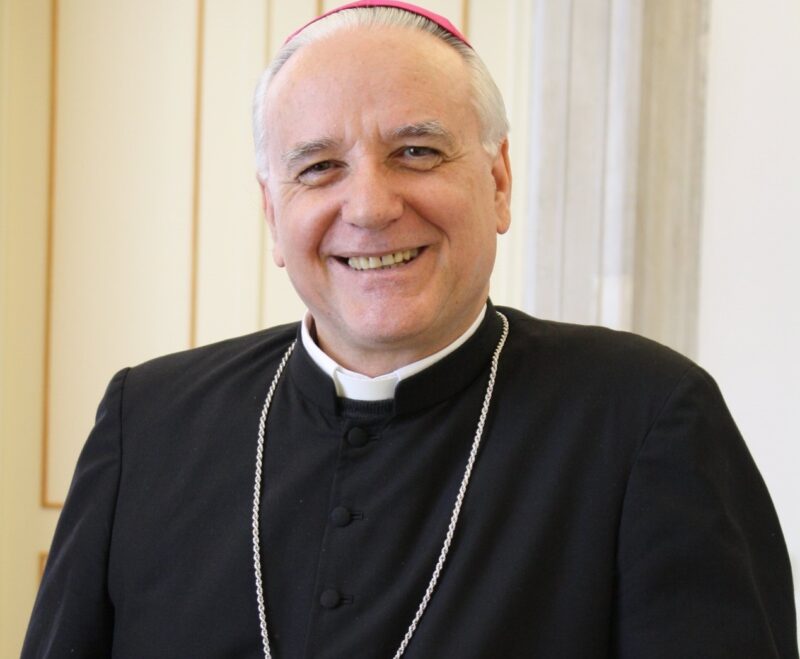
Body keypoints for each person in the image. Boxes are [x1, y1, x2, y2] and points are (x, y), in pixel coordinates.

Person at [22, 2, 798, 657]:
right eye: (319, 167)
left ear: (498, 182)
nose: (369, 207)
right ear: (272, 211)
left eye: (416, 152)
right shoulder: (147, 422)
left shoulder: (646, 417)